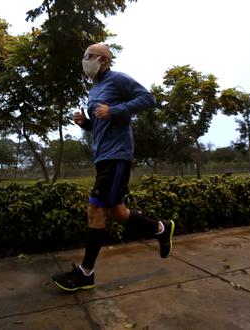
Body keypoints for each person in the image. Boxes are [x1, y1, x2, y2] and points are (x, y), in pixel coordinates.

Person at [51, 44, 175, 292]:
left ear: (104, 59)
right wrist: (86, 123)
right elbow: (100, 125)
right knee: (117, 212)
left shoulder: (118, 79)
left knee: (95, 209)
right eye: (84, 55)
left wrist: (114, 110)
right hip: (103, 156)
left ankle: (86, 273)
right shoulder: (94, 88)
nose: (85, 60)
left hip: (117, 156)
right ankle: (161, 228)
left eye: (89, 56)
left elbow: (148, 98)